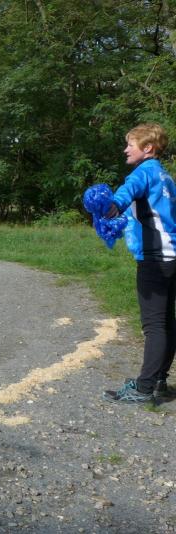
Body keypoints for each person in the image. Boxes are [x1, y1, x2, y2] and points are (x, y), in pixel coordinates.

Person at [103, 122, 176, 403]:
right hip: (172, 256)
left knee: (154, 326)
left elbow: (126, 192)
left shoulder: (143, 172)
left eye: (130, 145)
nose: (125, 150)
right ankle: (158, 381)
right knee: (167, 322)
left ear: (148, 148)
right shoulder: (165, 176)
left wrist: (109, 207)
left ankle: (144, 388)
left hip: (154, 259)